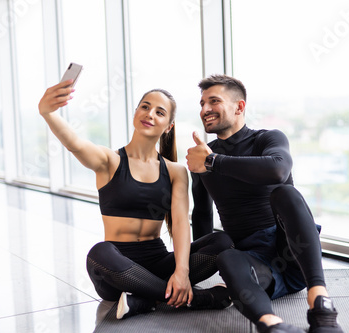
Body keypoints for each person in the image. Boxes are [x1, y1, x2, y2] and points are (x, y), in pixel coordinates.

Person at [38, 79, 233, 321]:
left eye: (159, 112)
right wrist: (47, 112)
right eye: (145, 107)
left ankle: (144, 298)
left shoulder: (175, 171)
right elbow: (75, 144)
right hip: (116, 268)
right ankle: (192, 299)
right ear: (136, 112)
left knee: (222, 241)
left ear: (169, 126)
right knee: (99, 252)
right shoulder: (109, 161)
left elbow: (182, 223)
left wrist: (181, 272)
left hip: (159, 262)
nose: (150, 114)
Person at [186, 74, 344, 333]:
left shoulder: (267, 138)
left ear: (239, 107)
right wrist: (201, 267)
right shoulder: (202, 157)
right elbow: (202, 214)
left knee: (286, 194)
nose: (205, 110)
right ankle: (273, 326)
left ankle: (321, 307)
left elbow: (278, 170)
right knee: (226, 257)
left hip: (293, 251)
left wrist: (213, 161)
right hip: (256, 265)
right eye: (202, 103)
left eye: (213, 101)